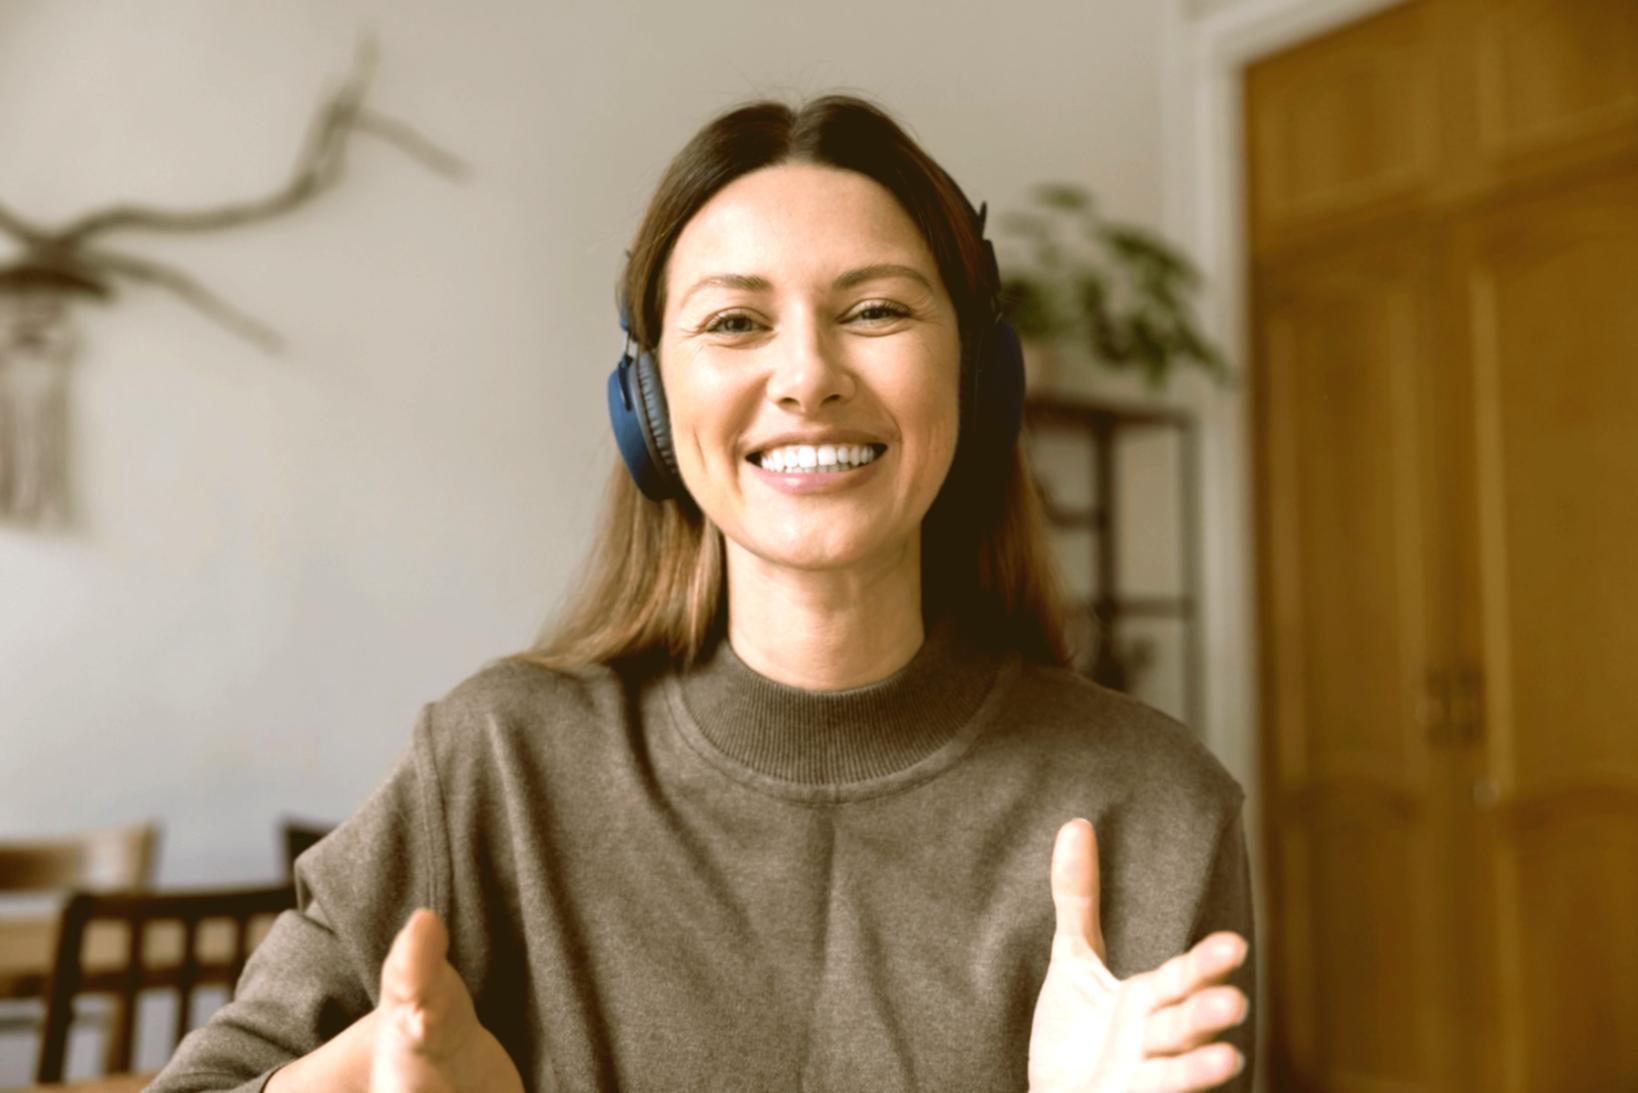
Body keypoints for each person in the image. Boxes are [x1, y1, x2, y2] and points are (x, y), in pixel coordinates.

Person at [149, 93, 1254, 1093]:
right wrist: (338, 1085)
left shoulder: (1152, 806)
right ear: (650, 405)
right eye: (735, 322)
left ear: (980, 379)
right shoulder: (493, 768)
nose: (808, 374)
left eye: (876, 311)